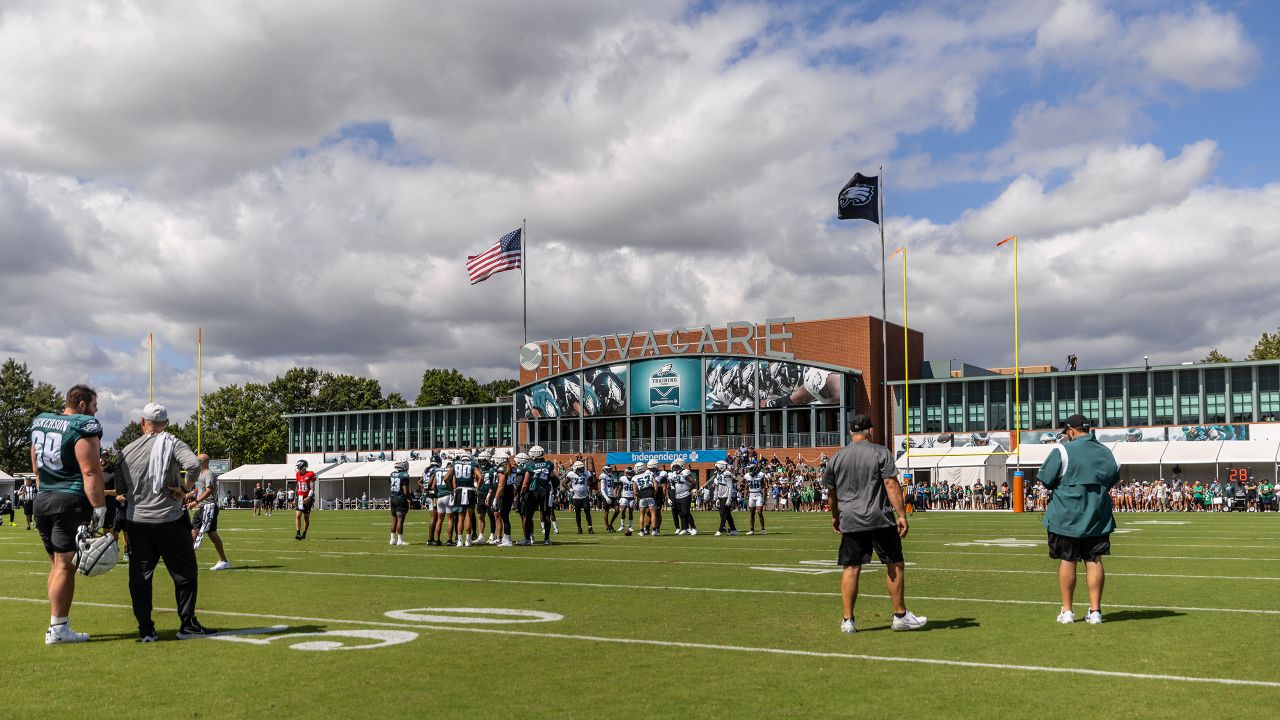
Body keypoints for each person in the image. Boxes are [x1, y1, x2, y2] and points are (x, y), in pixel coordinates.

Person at [116, 402, 214, 641]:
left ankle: (146, 630)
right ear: (166, 424)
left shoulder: (128, 449)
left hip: (137, 520)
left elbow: (120, 482)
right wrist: (184, 489)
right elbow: (192, 464)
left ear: (142, 422)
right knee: (185, 573)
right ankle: (187, 624)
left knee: (140, 578)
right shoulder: (172, 442)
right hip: (168, 518)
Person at [821, 414, 926, 634]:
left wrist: (835, 516)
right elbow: (890, 483)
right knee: (894, 563)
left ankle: (848, 620)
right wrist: (902, 514)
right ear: (871, 430)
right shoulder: (880, 452)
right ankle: (900, 615)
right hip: (880, 517)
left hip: (850, 518)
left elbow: (831, 493)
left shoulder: (837, 458)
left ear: (851, 433)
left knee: (851, 568)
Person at [29, 384, 106, 644]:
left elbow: (35, 460)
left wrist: (45, 487)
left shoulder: (42, 420)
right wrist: (100, 508)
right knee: (65, 566)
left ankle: (57, 623)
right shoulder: (84, 425)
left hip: (44, 497)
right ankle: (59, 628)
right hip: (69, 500)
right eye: (94, 406)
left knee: (56, 564)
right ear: (83, 404)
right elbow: (90, 471)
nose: (95, 413)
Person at [1038, 414, 1120, 625]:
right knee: (1094, 560)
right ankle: (1095, 612)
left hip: (1066, 517)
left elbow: (1046, 480)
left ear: (1071, 431)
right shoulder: (1106, 452)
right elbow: (1112, 480)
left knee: (1068, 560)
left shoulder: (1062, 450)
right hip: (1096, 517)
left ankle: (1067, 611)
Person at [188, 454, 230, 570]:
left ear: (202, 461)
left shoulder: (209, 473)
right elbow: (200, 489)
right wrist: (189, 494)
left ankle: (223, 560)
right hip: (201, 507)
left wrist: (195, 501)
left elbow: (209, 490)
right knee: (193, 532)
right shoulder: (200, 474)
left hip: (209, 507)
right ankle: (187, 561)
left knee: (212, 534)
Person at [518, 445, 557, 545]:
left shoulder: (530, 465)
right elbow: (553, 478)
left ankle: (527, 539)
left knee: (528, 516)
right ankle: (547, 539)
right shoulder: (548, 464)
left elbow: (525, 483)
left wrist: (522, 493)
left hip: (533, 492)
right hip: (545, 492)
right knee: (546, 515)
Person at [446, 451, 478, 547]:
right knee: (469, 516)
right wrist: (477, 489)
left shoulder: (455, 464)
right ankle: (468, 540)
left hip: (459, 491)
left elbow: (446, 478)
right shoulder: (472, 464)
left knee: (460, 518)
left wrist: (452, 489)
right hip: (470, 491)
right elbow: (481, 477)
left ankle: (459, 541)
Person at [669, 459, 697, 535]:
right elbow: (672, 485)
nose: (675, 468)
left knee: (686, 512)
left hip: (685, 495)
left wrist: (688, 491)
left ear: (681, 465)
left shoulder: (685, 472)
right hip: (677, 496)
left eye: (676, 466)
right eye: (674, 467)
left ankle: (693, 528)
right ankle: (685, 528)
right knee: (681, 513)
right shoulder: (674, 474)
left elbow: (693, 483)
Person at [710, 460, 738, 536]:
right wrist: (716, 498)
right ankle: (734, 530)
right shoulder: (718, 475)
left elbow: (730, 487)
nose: (716, 468)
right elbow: (716, 488)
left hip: (726, 496)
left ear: (721, 466)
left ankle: (721, 529)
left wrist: (729, 499)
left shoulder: (727, 474)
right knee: (727, 514)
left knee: (723, 513)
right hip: (720, 496)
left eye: (717, 467)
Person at [566, 460, 594, 534]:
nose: (582, 470)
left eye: (582, 468)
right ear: (575, 469)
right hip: (576, 497)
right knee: (577, 513)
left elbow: (592, 480)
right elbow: (563, 483)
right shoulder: (571, 474)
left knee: (587, 511)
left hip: (585, 496)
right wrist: (569, 489)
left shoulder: (586, 473)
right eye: (580, 469)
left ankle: (590, 527)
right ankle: (579, 528)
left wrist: (588, 486)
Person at [388, 460, 411, 546]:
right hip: (400, 498)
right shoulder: (404, 475)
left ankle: (392, 539)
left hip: (392, 497)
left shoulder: (392, 474)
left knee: (394, 519)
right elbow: (405, 490)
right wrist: (410, 499)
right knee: (400, 520)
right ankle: (400, 540)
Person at [294, 460, 315, 540]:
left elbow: (312, 488)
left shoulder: (310, 474)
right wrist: (294, 497)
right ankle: (298, 533)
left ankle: (304, 533)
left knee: (306, 517)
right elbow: (297, 486)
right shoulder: (298, 474)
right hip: (299, 497)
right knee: (298, 515)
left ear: (303, 466)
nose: (297, 468)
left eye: (298, 466)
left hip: (307, 497)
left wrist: (309, 497)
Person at [744, 462, 768, 535]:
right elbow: (746, 488)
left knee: (760, 512)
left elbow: (763, 487)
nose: (749, 470)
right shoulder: (747, 476)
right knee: (752, 514)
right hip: (751, 495)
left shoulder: (760, 475)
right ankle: (752, 529)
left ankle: (763, 529)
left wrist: (764, 497)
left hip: (758, 494)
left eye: (750, 469)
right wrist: (745, 498)